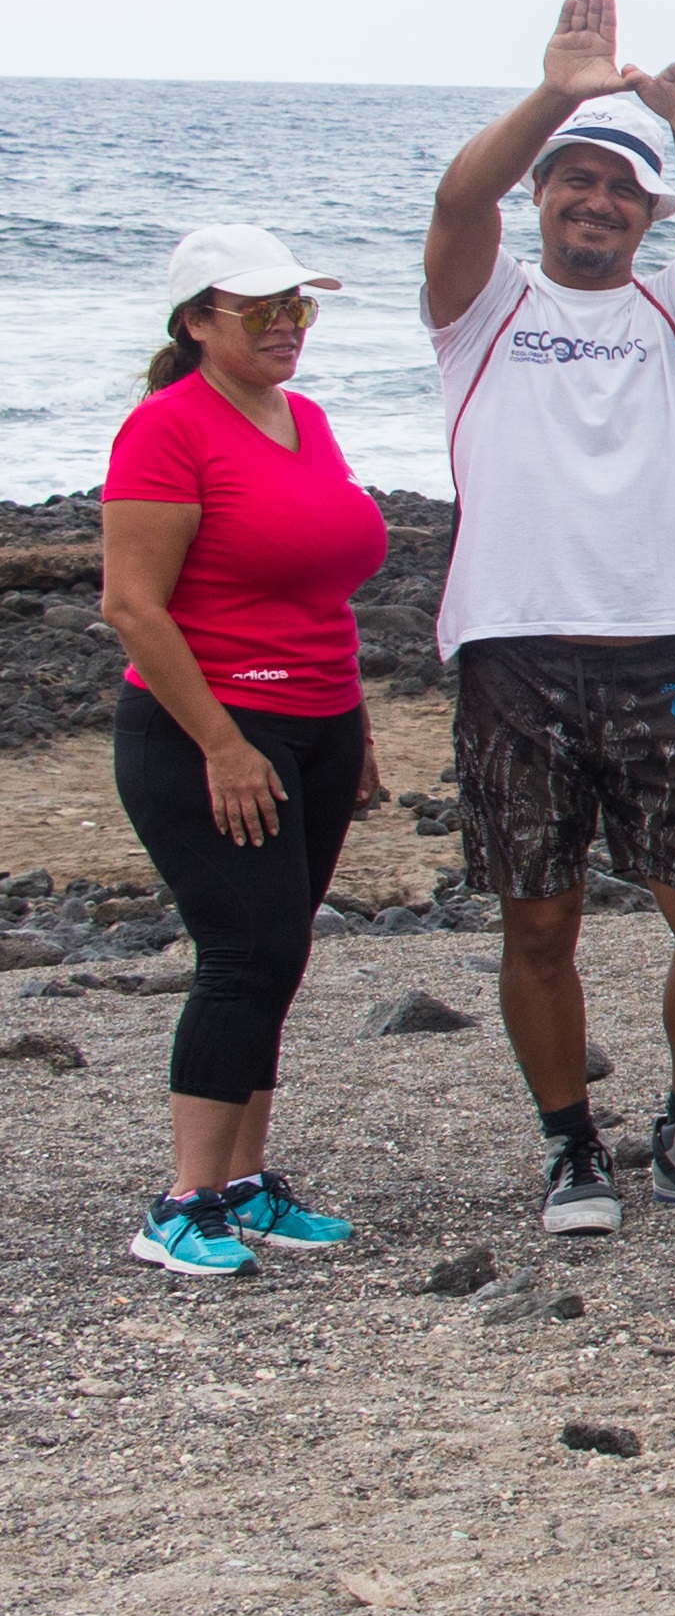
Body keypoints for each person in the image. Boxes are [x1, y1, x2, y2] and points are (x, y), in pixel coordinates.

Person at [419, 0, 675, 1235]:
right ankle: (570, 1144)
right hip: (512, 653)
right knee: (539, 917)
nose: (594, 198)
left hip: (657, 655)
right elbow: (458, 198)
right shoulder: (487, 308)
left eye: (619, 186)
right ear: (544, 194)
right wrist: (560, 90)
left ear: (648, 210)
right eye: (573, 178)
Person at [103, 228, 389, 1277]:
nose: (284, 326)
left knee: (284, 951)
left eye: (298, 307)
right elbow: (132, 605)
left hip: (315, 723)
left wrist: (352, 723)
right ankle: (179, 1203)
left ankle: (244, 1184)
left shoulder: (302, 417)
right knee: (242, 952)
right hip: (207, 731)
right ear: (195, 323)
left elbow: (323, 583)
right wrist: (221, 741)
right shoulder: (165, 429)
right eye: (258, 308)